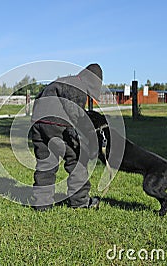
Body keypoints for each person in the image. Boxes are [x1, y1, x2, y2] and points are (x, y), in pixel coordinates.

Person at [31, 63, 103, 211]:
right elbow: (74, 111)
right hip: (59, 124)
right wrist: (81, 135)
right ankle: (80, 202)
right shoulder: (78, 86)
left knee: (46, 163)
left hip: (38, 123)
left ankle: (42, 204)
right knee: (77, 161)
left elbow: (39, 98)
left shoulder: (63, 81)